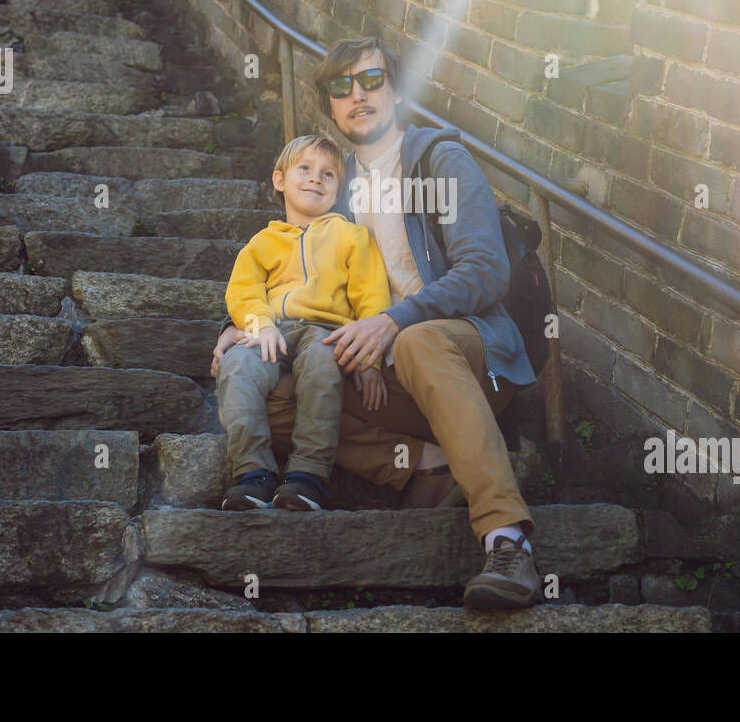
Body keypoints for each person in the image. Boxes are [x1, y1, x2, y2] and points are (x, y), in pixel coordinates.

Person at [212, 37, 543, 609]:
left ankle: (507, 541)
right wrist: (235, 325)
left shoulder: (438, 159)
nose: (358, 94)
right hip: (386, 382)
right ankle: (426, 466)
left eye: (372, 80)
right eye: (342, 86)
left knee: (416, 341)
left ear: (395, 89)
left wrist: (394, 321)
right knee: (265, 388)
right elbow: (292, 275)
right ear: (331, 106)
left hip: (471, 357)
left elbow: (487, 270)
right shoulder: (337, 198)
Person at [214, 133, 391, 511]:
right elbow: (244, 291)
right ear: (280, 180)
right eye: (305, 169)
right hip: (270, 332)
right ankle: (252, 474)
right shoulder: (262, 242)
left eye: (328, 175)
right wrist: (258, 323)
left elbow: (371, 297)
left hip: (327, 333)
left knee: (323, 368)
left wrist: (369, 361)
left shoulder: (352, 236)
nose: (315, 179)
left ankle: (307, 477)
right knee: (237, 368)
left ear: (338, 190)